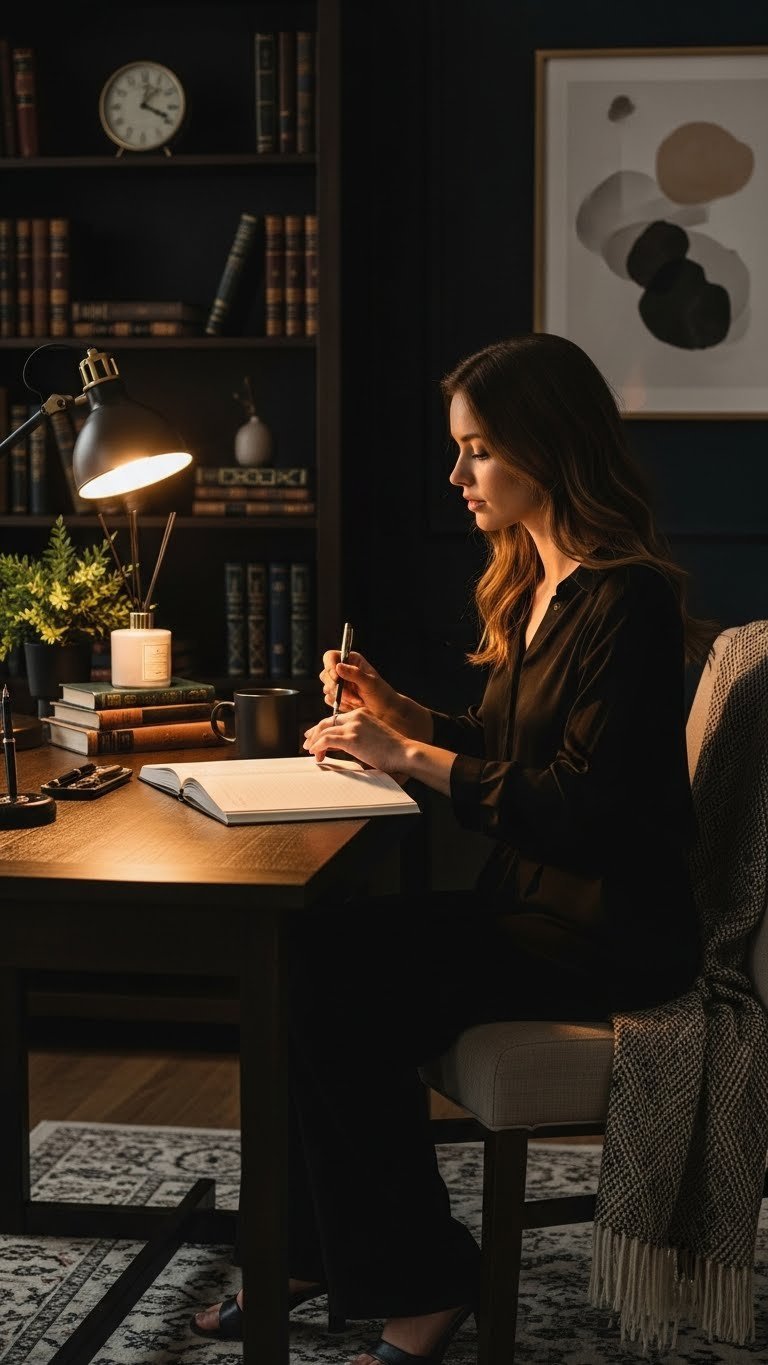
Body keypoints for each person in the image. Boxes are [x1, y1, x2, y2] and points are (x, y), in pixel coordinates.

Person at [191, 333, 710, 1365]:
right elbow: (515, 750)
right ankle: (316, 1249)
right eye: (459, 450)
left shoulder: (626, 598)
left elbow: (584, 810)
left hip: (610, 932)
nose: (456, 475)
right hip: (534, 905)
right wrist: (405, 714)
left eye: (476, 451)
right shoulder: (538, 583)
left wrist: (408, 755)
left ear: (546, 447)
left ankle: (424, 1279)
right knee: (310, 952)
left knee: (334, 980)